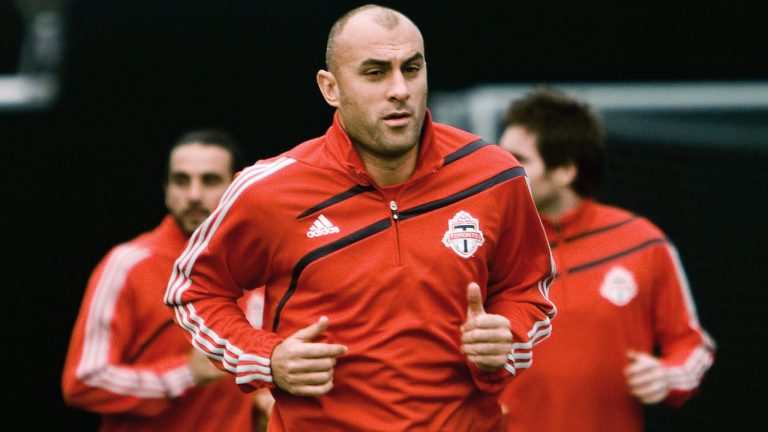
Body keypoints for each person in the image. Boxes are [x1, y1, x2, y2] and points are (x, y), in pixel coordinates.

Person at [163, 5, 556, 432]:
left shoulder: (494, 175)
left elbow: (528, 290)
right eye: (375, 72)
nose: (399, 89)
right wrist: (267, 357)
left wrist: (506, 337)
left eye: (411, 69)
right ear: (330, 88)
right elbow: (192, 290)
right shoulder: (269, 190)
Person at [497, 87, 716, 432]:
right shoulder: (489, 248)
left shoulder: (642, 244)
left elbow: (692, 346)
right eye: (500, 157)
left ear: (565, 171)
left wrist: (667, 375)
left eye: (518, 160)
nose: (502, 170)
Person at [62, 129, 273, 431]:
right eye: (181, 181)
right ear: (165, 189)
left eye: (210, 180)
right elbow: (83, 380)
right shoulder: (126, 265)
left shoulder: (262, 269)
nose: (194, 195)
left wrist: (265, 398)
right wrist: (185, 374)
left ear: (237, 188)